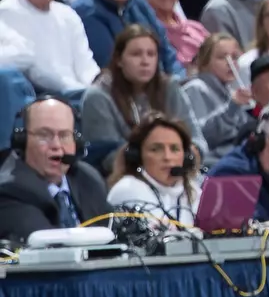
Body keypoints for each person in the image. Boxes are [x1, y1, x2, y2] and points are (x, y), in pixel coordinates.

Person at [80, 25, 190, 172]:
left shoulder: (169, 88)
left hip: (174, 170)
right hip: (122, 179)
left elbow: (196, 140)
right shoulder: (98, 97)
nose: (145, 61)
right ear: (119, 60)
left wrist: (187, 157)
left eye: (151, 54)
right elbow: (108, 158)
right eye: (136, 54)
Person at [0, 96, 111, 241]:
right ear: (23, 141)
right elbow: (50, 248)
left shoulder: (88, 178)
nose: (56, 145)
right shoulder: (10, 190)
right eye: (44, 135)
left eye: (64, 135)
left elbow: (112, 229)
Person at [0, 0, 98, 98]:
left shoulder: (68, 15)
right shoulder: (5, 13)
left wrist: (100, 86)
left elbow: (85, 65)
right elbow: (28, 64)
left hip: (79, 96)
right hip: (37, 101)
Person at [104, 113, 202, 228]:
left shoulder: (192, 189)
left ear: (186, 157)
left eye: (174, 149)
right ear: (138, 156)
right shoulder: (128, 189)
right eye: (156, 149)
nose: (167, 157)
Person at [182, 32, 257, 164]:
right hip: (211, 166)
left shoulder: (230, 92)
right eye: (222, 58)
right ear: (205, 62)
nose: (231, 63)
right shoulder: (195, 88)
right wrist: (232, 108)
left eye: (234, 57)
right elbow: (202, 137)